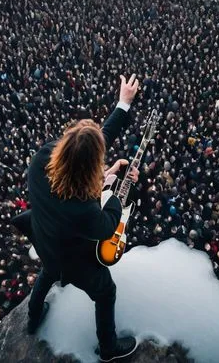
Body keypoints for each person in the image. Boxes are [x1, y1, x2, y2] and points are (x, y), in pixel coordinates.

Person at [27, 74, 140, 362]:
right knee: (106, 292)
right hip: (72, 258)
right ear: (90, 168)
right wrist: (113, 189)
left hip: (44, 237)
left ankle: (33, 316)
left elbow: (88, 146)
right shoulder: (83, 207)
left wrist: (122, 104)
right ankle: (108, 348)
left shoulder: (43, 157)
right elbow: (105, 226)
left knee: (48, 271)